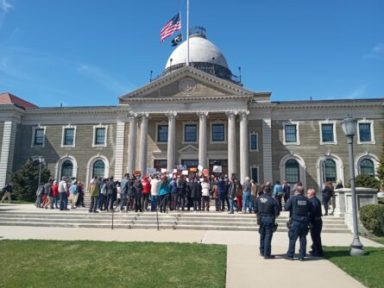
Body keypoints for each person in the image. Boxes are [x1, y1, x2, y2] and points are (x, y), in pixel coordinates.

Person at [285, 185, 312, 261]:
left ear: (297, 191)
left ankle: (290, 255)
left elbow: (286, 207)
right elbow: (310, 209)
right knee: (303, 239)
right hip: (304, 222)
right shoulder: (307, 200)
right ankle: (302, 255)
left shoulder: (293, 198)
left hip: (295, 222)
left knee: (293, 239)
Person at [255, 185, 280, 259]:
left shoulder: (258, 198)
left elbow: (255, 210)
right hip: (269, 218)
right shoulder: (272, 200)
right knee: (268, 237)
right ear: (270, 191)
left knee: (262, 235)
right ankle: (267, 254)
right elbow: (277, 212)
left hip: (261, 218)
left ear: (264, 191)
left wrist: (258, 217)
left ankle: (262, 251)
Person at [307, 188, 324, 257]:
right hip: (316, 221)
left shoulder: (313, 201)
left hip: (315, 221)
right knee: (314, 236)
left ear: (312, 194)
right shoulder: (314, 200)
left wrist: (308, 218)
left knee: (316, 237)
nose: (307, 194)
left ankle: (318, 251)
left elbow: (313, 212)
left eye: (308, 193)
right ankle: (314, 249)